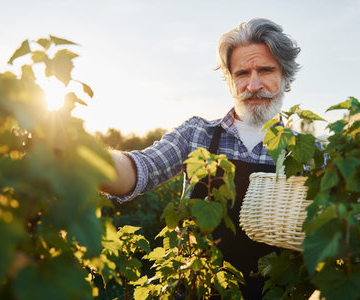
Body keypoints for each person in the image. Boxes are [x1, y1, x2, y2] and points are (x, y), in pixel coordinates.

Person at [100, 18, 301, 298]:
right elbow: (139, 169)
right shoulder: (197, 135)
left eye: (266, 70)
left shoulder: (305, 152)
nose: (254, 84)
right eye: (242, 73)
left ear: (285, 76)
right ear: (230, 80)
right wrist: (84, 157)